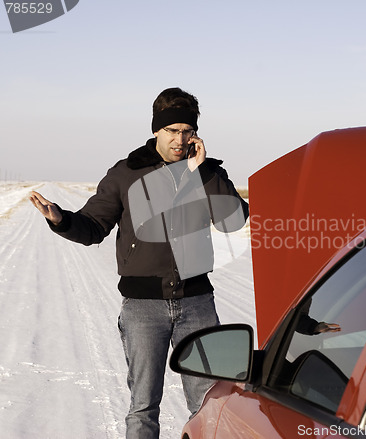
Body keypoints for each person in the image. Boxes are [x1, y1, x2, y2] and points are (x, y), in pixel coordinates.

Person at [29, 87, 249, 439]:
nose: (180, 139)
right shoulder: (125, 174)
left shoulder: (205, 172)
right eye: (172, 130)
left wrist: (204, 170)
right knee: (144, 406)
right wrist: (61, 219)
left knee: (210, 403)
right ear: (156, 129)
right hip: (143, 308)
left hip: (197, 304)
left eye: (187, 130)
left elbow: (233, 221)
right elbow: (93, 227)